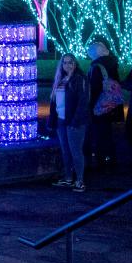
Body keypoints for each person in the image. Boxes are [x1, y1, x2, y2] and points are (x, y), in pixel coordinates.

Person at [47, 54, 89, 192]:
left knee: (75, 151)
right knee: (65, 151)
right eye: (64, 63)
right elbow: (54, 102)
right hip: (61, 120)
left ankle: (80, 181)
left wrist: (75, 121)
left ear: (75, 63)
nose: (68, 65)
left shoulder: (79, 79)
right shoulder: (61, 79)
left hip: (74, 121)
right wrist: (52, 120)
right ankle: (68, 178)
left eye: (70, 62)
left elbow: (82, 103)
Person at [86, 41, 124, 167]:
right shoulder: (112, 63)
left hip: (100, 105)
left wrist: (89, 106)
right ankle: (111, 159)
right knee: (107, 133)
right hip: (111, 104)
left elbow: (94, 89)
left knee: (100, 134)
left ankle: (102, 161)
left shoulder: (96, 66)